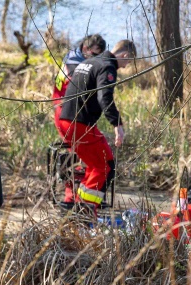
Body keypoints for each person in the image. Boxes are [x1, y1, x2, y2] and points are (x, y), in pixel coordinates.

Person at [56, 39, 137, 213]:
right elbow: (104, 97)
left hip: (66, 120)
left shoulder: (90, 62)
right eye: (128, 62)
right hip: (78, 124)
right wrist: (117, 124)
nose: (125, 66)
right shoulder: (107, 66)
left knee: (100, 163)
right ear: (125, 55)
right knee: (105, 166)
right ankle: (85, 211)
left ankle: (79, 205)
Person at [52, 34, 107, 119]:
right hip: (64, 106)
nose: (96, 59)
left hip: (64, 104)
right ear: (85, 48)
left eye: (99, 56)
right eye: (94, 55)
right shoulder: (74, 65)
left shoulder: (73, 54)